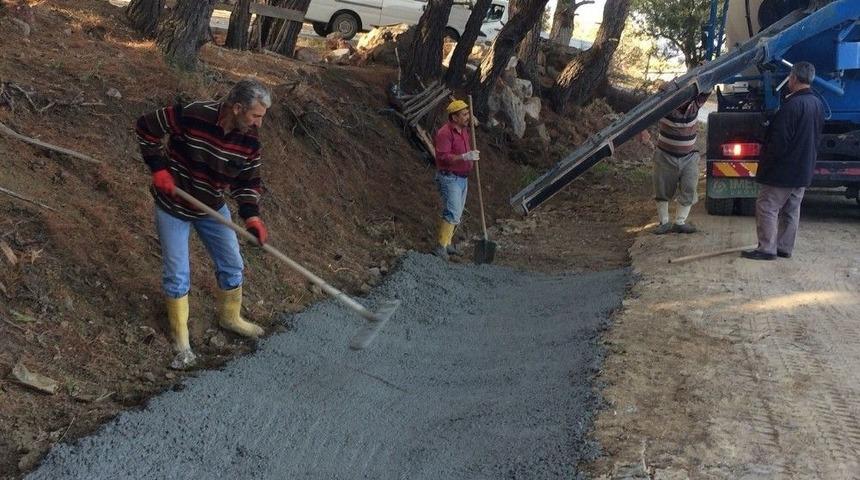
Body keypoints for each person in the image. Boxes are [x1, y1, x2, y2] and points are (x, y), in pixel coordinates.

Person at [135, 79, 272, 369]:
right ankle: (182, 341)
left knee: (232, 263)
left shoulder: (249, 140)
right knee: (178, 273)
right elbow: (146, 127)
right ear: (237, 108)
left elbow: (248, 182)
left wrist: (252, 217)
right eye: (256, 115)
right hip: (173, 205)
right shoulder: (194, 115)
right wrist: (159, 169)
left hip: (211, 205)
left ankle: (230, 318)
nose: (259, 123)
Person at [742, 62, 824, 261]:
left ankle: (766, 248)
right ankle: (784, 247)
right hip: (803, 169)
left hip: (784, 170)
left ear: (793, 78)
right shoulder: (817, 104)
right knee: (791, 209)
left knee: (767, 206)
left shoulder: (792, 106)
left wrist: (767, 166)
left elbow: (779, 142)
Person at [639, 83, 710, 234]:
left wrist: (708, 70)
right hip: (665, 155)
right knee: (662, 189)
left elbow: (707, 88)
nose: (682, 99)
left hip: (689, 157)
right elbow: (644, 113)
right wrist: (643, 130)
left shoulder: (694, 106)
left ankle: (680, 222)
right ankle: (664, 222)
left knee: (689, 187)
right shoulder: (665, 107)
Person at [432, 99, 480, 261]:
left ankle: (448, 242)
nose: (468, 117)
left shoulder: (465, 130)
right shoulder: (445, 133)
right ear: (454, 118)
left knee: (457, 213)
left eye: (468, 113)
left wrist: (470, 157)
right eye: (464, 115)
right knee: (452, 212)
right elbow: (443, 157)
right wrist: (465, 157)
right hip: (449, 177)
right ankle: (441, 246)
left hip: (462, 178)